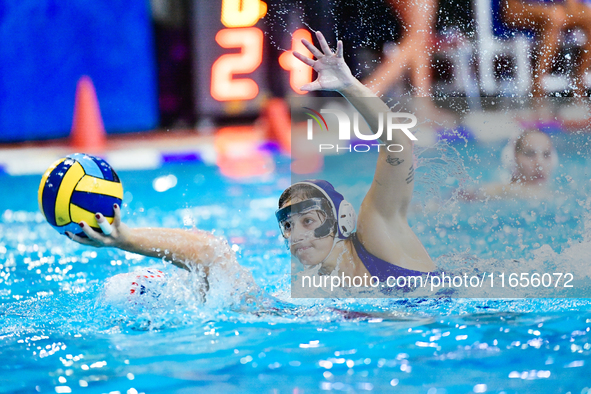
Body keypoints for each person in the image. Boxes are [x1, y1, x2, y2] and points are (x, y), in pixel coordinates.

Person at [67, 32, 435, 294]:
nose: (298, 236)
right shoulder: (319, 303)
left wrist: (349, 86)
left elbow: (397, 143)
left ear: (343, 220)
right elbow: (214, 255)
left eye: (308, 220)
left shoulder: (378, 233)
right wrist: (123, 238)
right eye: (289, 227)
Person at [459, 129, 557, 201]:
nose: (540, 163)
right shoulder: (498, 192)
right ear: (515, 159)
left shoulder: (556, 193)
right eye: (530, 154)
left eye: (546, 155)